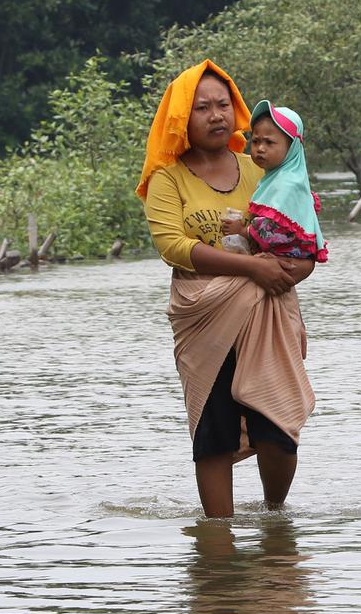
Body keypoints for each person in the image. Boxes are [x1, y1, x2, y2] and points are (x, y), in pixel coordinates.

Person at [139, 60, 316, 518]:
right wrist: (250, 268)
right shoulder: (168, 178)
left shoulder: (263, 166)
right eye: (202, 108)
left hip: (267, 311)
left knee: (276, 426)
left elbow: (299, 233)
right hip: (203, 317)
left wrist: (294, 269)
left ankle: (275, 518)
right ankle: (218, 545)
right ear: (182, 119)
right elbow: (173, 246)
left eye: (223, 104)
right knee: (213, 430)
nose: (216, 115)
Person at [221, 100, 328, 263]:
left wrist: (243, 231)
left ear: (291, 147)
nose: (260, 148)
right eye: (256, 141)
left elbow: (273, 227)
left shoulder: (287, 183)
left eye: (269, 142)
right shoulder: (274, 178)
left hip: (287, 260)